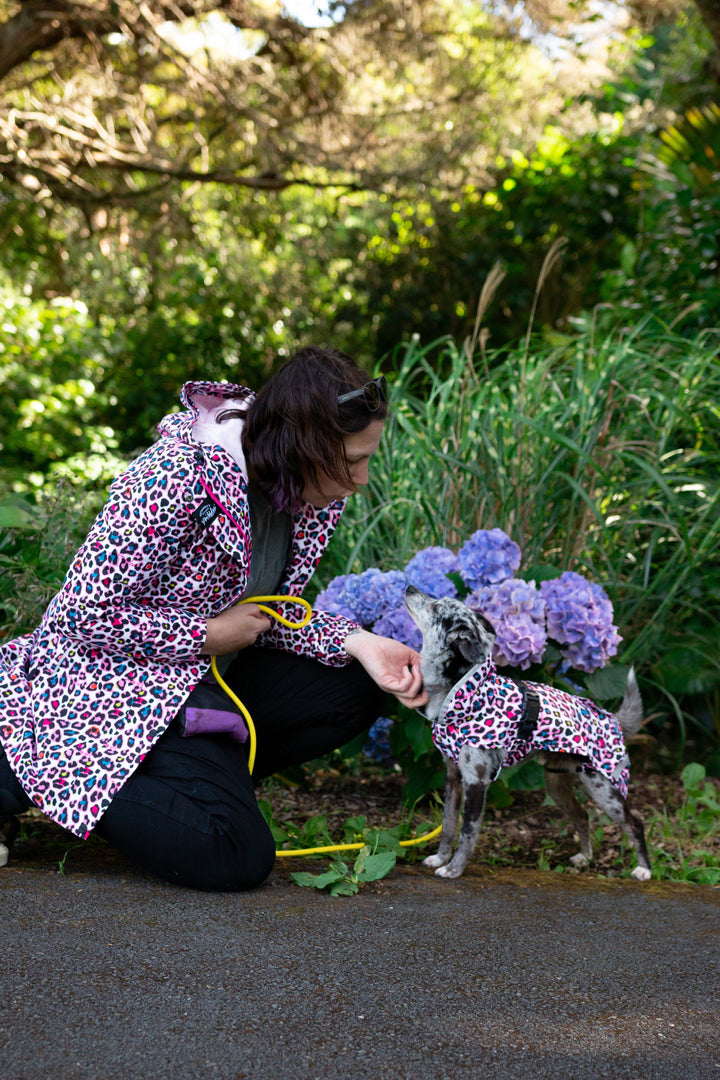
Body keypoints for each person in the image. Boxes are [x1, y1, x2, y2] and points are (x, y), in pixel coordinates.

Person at [0, 346, 427, 890]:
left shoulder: (307, 489)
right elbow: (79, 615)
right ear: (303, 444)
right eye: (353, 461)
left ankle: (184, 784)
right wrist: (206, 634)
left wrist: (358, 641)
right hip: (111, 689)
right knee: (236, 856)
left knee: (358, 683)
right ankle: (25, 767)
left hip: (198, 682)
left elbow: (265, 616)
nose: (362, 478)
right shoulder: (176, 476)